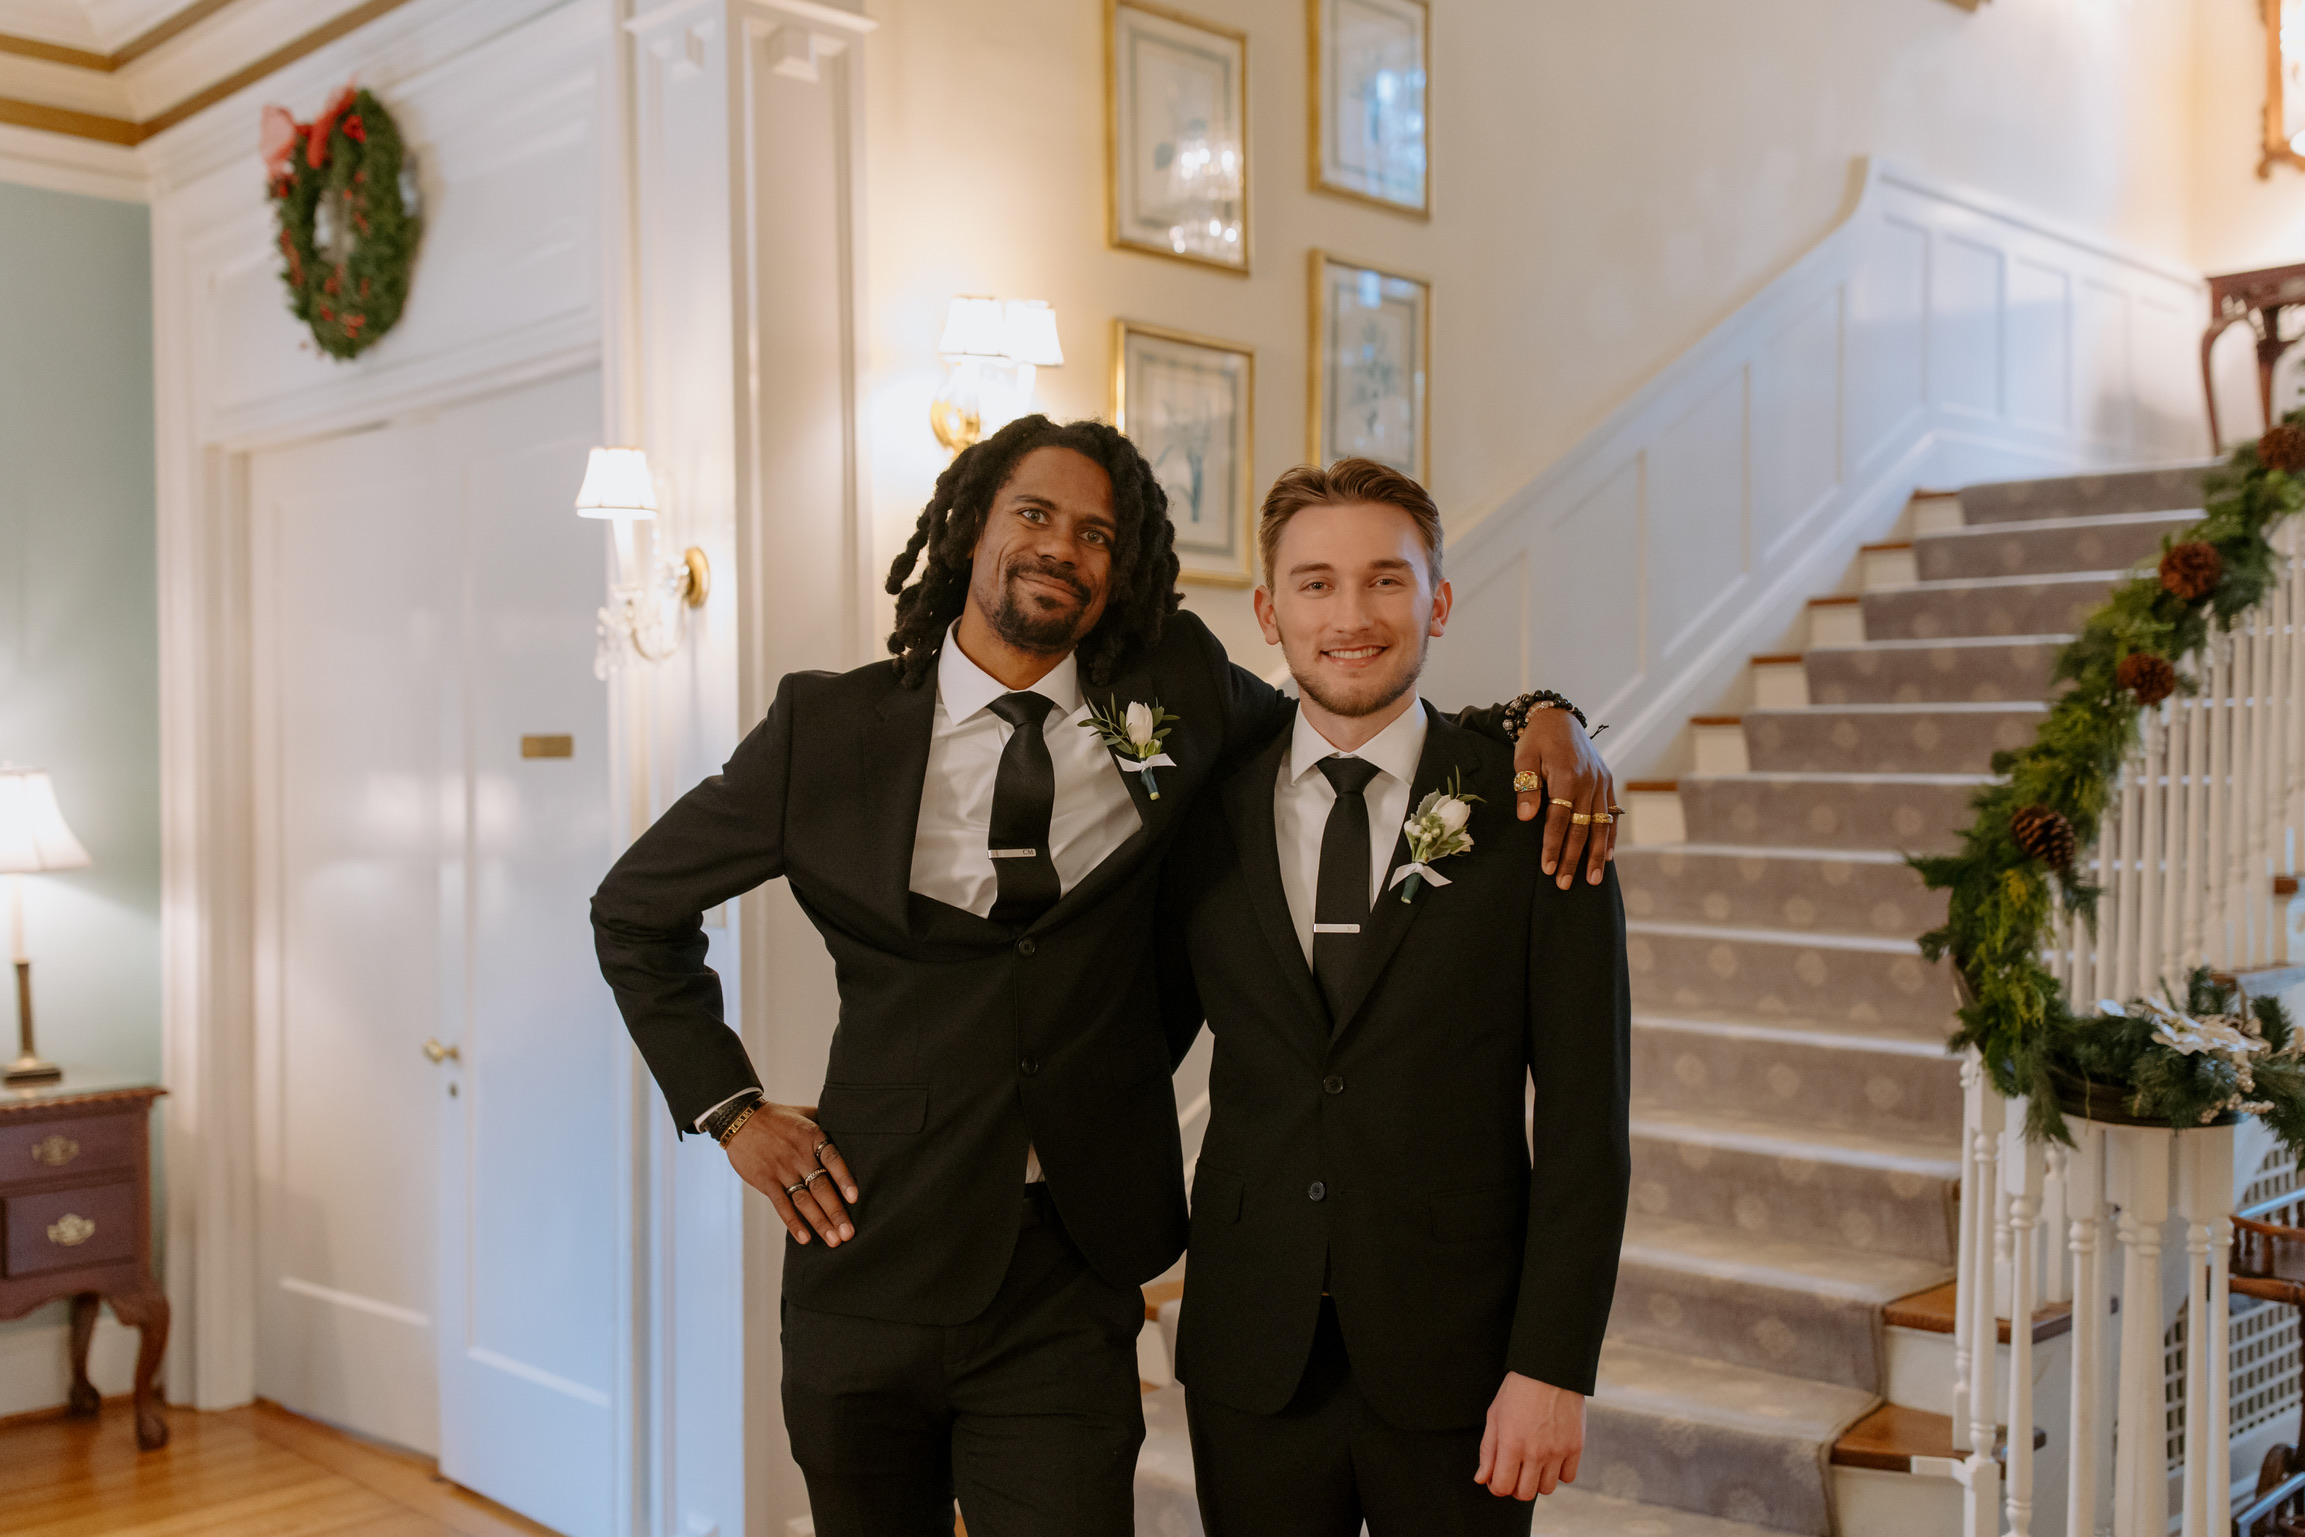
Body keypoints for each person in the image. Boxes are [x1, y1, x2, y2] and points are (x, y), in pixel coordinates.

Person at [588, 415, 1615, 1537]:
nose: (1061, 548)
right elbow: (635, 911)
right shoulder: (827, 729)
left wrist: (1540, 718)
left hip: (1069, 1269)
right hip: (868, 1246)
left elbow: (1356, 716)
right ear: (972, 527)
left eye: (1096, 533)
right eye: (1034, 514)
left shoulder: (1179, 697)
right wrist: (731, 1108)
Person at [1155, 459, 1631, 1537]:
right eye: (1315, 584)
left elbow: (1585, 1122)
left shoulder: (1535, 812)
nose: (1351, 615)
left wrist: (1550, 1365)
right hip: (1250, 1347)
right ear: (1269, 611)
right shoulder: (1199, 812)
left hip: (1459, 1351)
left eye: (1385, 579)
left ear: (1438, 601)